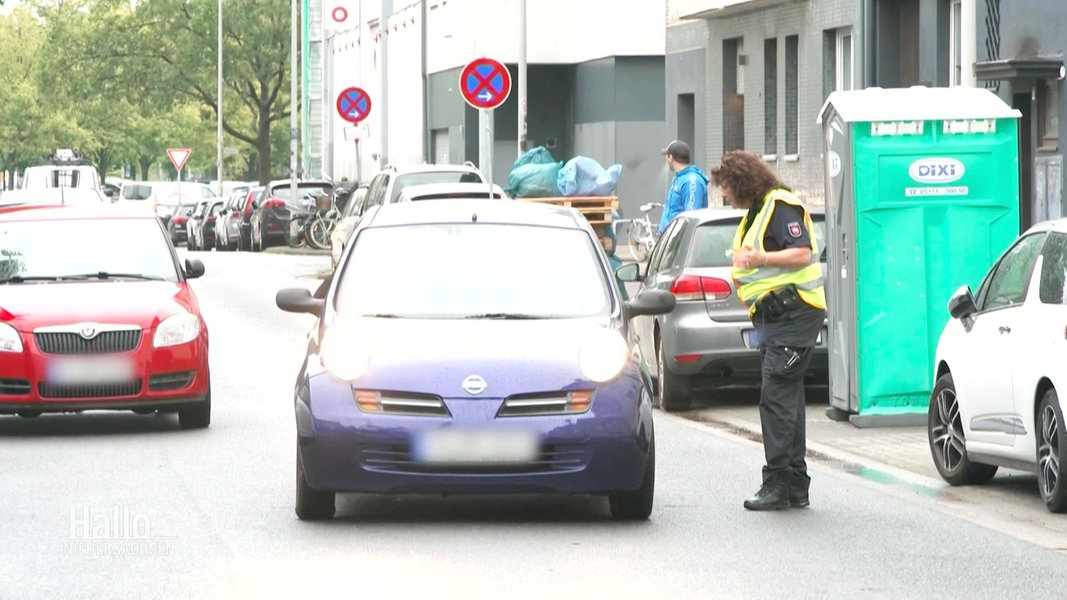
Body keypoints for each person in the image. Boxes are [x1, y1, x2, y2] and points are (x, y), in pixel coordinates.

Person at [710, 150, 826, 511]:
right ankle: (794, 485)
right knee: (787, 398)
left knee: (775, 398)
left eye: (727, 187)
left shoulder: (780, 206)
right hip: (777, 317)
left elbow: (801, 254)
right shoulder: (758, 212)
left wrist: (759, 259)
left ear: (742, 181)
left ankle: (777, 484)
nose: (726, 195)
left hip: (794, 314)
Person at [658, 140, 709, 234]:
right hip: (670, 237)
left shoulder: (691, 181)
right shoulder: (680, 178)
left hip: (678, 240)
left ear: (670, 157)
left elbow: (691, 217)